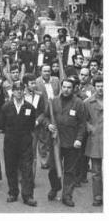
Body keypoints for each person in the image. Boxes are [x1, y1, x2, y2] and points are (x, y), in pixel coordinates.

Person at [43, 78, 87, 207]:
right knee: (52, 168)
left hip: (72, 143)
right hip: (55, 141)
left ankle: (67, 195)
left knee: (70, 170)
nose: (66, 90)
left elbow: (82, 124)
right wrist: (48, 125)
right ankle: (55, 187)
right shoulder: (53, 101)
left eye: (69, 87)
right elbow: (45, 116)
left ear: (73, 89)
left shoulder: (78, 103)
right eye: (64, 87)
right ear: (61, 87)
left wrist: (79, 139)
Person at [0, 81, 38, 206]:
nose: (19, 91)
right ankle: (13, 193)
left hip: (25, 142)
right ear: (13, 92)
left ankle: (28, 196)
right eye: (16, 89)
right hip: (10, 141)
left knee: (27, 169)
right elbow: (2, 125)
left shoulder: (30, 107)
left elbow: (32, 125)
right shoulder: (6, 107)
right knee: (10, 168)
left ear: (24, 91)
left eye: (21, 89)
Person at [84, 75, 103, 206]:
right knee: (96, 171)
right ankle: (97, 196)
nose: (101, 88)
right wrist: (90, 128)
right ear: (94, 87)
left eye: (103, 86)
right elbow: (83, 120)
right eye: (98, 86)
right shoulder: (88, 102)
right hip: (96, 141)